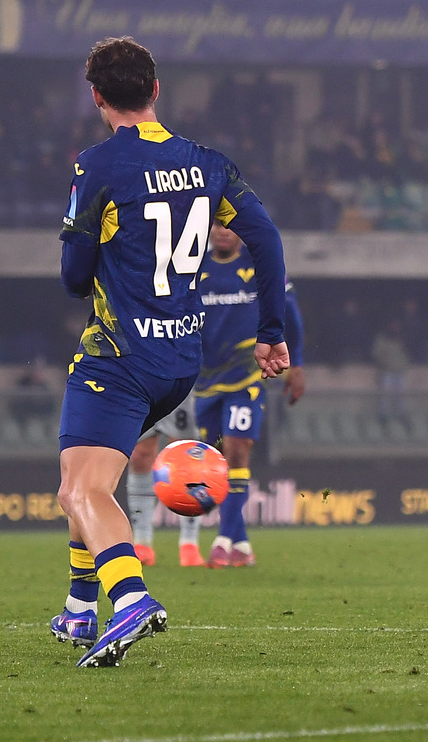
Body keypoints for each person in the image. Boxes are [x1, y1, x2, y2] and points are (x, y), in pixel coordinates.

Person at [53, 36, 289, 667]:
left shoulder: (97, 166)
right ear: (156, 90)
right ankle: (79, 610)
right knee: (77, 484)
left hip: (118, 356)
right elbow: (266, 239)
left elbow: (74, 279)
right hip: (181, 363)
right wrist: (271, 331)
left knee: (83, 491)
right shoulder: (208, 165)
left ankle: (128, 599)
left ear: (98, 98)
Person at [192, 220, 306, 569]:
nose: (223, 230)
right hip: (206, 380)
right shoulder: (195, 268)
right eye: (216, 224)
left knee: (237, 450)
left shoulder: (259, 264)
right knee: (215, 460)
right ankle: (240, 542)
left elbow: (291, 314)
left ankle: (223, 541)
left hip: (247, 377)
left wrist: (297, 364)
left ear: (241, 230)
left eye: (229, 224)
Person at [125, 394, 207, 568]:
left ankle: (189, 542)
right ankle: (141, 541)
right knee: (140, 455)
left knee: (186, 455)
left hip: (175, 378)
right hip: (143, 383)